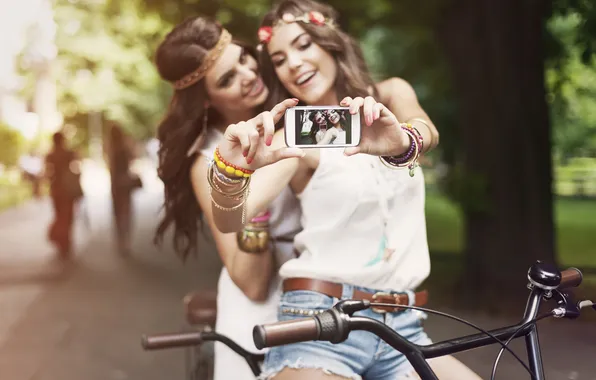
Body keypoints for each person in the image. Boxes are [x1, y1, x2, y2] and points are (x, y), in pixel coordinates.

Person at [209, 0, 480, 379]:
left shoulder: (389, 96)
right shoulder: (295, 137)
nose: (294, 64)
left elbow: (427, 131)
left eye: (303, 45)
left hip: (403, 328)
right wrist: (231, 172)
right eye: (280, 59)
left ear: (331, 40)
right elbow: (230, 218)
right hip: (319, 320)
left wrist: (401, 143)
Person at [152, 17, 302, 380]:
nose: (248, 74)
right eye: (227, 79)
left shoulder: (295, 111)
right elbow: (250, 282)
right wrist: (249, 189)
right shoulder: (206, 162)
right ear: (205, 100)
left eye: (244, 59)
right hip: (263, 309)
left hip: (328, 281)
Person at [44, 131, 83, 259]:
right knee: (67, 217)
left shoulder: (50, 155)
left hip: (56, 190)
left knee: (60, 216)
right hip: (67, 190)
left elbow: (47, 173)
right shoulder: (68, 154)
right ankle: (65, 242)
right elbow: (77, 167)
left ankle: (62, 242)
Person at [107, 124, 137, 255]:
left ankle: (121, 241)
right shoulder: (123, 148)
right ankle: (125, 241)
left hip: (116, 186)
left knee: (118, 214)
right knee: (126, 213)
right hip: (124, 185)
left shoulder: (111, 150)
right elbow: (132, 159)